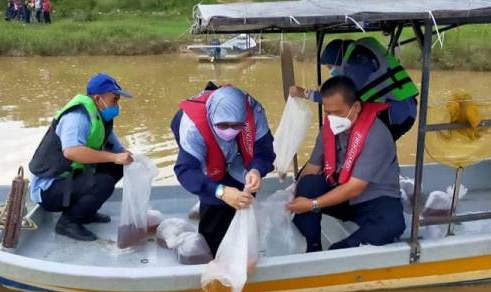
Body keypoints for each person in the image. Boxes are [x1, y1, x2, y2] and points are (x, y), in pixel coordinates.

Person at [286, 76, 405, 252]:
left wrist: (312, 204)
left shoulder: (377, 134)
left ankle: (339, 252)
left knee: (391, 225)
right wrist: (292, 193)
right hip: (341, 193)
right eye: (328, 112)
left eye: (338, 112)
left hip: (374, 199)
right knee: (308, 183)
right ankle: (310, 249)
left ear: (355, 107)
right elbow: (312, 167)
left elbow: (356, 187)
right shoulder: (330, 128)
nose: (332, 118)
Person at [171, 84, 275, 256]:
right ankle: (213, 253)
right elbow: (186, 170)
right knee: (214, 203)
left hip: (239, 155)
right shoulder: (192, 127)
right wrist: (220, 191)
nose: (230, 131)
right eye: (223, 125)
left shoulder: (254, 113)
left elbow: (264, 150)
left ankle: (242, 251)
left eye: (236, 126)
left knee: (244, 196)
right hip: (208, 148)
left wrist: (256, 170)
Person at [28, 73, 133, 241]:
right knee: (103, 182)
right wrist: (114, 158)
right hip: (49, 188)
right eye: (114, 100)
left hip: (71, 178)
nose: (116, 105)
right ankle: (67, 223)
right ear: (98, 99)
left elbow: (117, 148)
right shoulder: (76, 117)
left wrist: (126, 156)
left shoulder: (101, 116)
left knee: (120, 165)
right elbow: (72, 152)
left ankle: (86, 212)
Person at [290, 38, 418, 141]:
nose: (331, 72)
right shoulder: (360, 56)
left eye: (330, 67)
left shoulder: (357, 62)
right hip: (403, 107)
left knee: (372, 148)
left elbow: (340, 98)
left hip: (397, 113)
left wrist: (305, 93)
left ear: (338, 60)